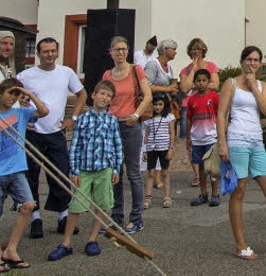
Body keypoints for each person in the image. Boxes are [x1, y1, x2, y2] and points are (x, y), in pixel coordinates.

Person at [217, 46, 266, 260]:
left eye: (256, 60)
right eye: (249, 59)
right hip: (237, 140)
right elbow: (221, 115)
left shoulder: (261, 85)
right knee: (239, 191)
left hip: (256, 141)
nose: (252, 63)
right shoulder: (230, 84)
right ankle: (240, 244)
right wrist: (222, 143)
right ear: (241, 61)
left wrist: (253, 87)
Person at [18, 37, 87, 239]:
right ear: (38, 54)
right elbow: (10, 95)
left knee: (60, 173)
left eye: (53, 51)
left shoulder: (66, 73)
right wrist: (21, 115)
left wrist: (72, 118)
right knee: (31, 175)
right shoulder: (26, 75)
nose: (49, 55)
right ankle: (35, 218)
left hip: (56, 132)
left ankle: (63, 216)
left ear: (57, 52)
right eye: (45, 51)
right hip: (33, 132)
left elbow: (82, 94)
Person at [48, 79, 123, 260]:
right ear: (94, 95)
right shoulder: (82, 119)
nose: (105, 98)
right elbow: (74, 146)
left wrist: (116, 169)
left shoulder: (112, 120)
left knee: (102, 205)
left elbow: (117, 145)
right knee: (77, 205)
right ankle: (66, 243)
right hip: (84, 170)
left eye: (109, 96)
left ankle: (92, 239)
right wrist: (74, 170)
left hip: (104, 169)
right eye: (102, 94)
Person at [103, 36, 152, 234]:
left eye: (124, 49)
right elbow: (104, 98)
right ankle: (116, 217)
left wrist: (136, 114)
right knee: (115, 173)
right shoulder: (107, 74)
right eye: (117, 49)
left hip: (130, 125)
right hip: (112, 125)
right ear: (111, 52)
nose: (121, 52)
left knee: (133, 172)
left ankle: (136, 218)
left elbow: (147, 95)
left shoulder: (135, 70)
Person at [0, 77, 49, 271]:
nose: (14, 97)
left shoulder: (21, 113)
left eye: (17, 94)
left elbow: (44, 112)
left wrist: (28, 94)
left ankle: (11, 250)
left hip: (17, 171)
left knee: (28, 206)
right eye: (10, 93)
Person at [179, 38, 220, 186]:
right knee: (190, 141)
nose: (196, 51)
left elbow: (215, 85)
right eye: (193, 49)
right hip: (190, 105)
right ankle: (197, 175)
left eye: (199, 49)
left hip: (207, 106)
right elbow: (184, 88)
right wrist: (194, 70)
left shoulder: (211, 66)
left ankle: (211, 176)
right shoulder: (185, 70)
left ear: (204, 51)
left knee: (210, 144)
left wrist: (195, 86)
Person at [186, 68, 220, 207]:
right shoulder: (191, 99)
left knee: (212, 167)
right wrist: (188, 138)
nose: (201, 83)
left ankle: (215, 194)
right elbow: (189, 119)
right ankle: (203, 193)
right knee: (201, 167)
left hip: (211, 138)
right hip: (197, 138)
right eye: (198, 81)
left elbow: (220, 115)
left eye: (204, 80)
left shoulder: (213, 97)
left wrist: (222, 135)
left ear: (209, 82)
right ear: (194, 82)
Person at [143, 93, 175, 209]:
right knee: (151, 173)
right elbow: (146, 136)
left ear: (165, 105)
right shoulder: (149, 119)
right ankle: (148, 197)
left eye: (160, 104)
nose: (157, 107)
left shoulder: (169, 117)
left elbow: (172, 134)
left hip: (164, 147)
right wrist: (144, 151)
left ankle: (167, 196)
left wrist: (171, 149)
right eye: (155, 104)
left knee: (165, 172)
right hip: (152, 148)